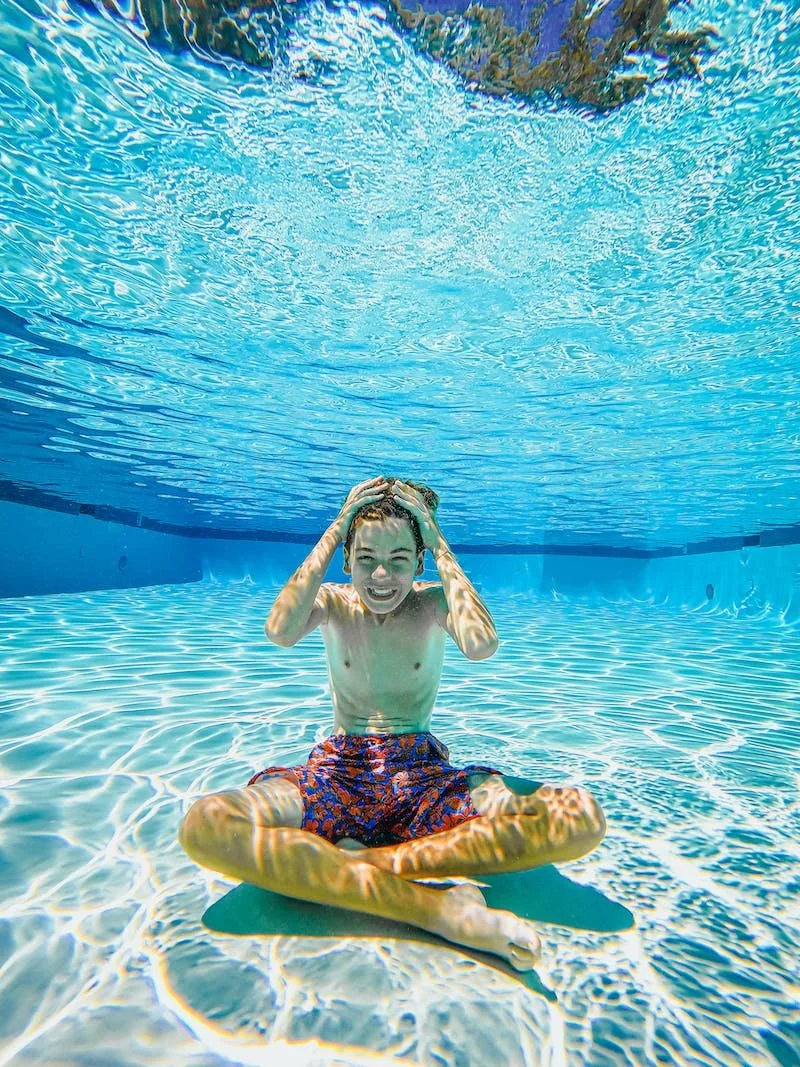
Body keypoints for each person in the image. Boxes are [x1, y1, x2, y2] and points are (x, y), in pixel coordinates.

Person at [180, 476, 606, 970]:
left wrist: (437, 538)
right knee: (205, 826)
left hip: (422, 775)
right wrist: (336, 527)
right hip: (339, 772)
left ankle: (360, 867)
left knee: (580, 819)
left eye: (400, 560)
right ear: (346, 560)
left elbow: (481, 644)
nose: (382, 576)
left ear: (420, 562)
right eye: (366, 560)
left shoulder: (432, 604)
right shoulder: (336, 602)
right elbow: (279, 630)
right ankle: (436, 910)